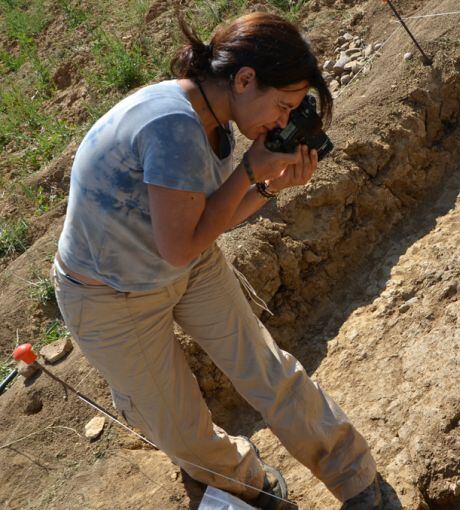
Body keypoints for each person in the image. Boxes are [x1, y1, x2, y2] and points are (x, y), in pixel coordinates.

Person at [51, 11, 381, 510]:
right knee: (182, 430)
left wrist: (270, 185)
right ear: (244, 79)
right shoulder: (172, 125)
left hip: (187, 261)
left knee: (269, 372)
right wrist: (251, 168)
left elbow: (209, 220)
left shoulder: (218, 118)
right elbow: (181, 242)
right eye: (283, 106)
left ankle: (358, 481)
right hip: (110, 296)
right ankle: (250, 484)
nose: (283, 122)